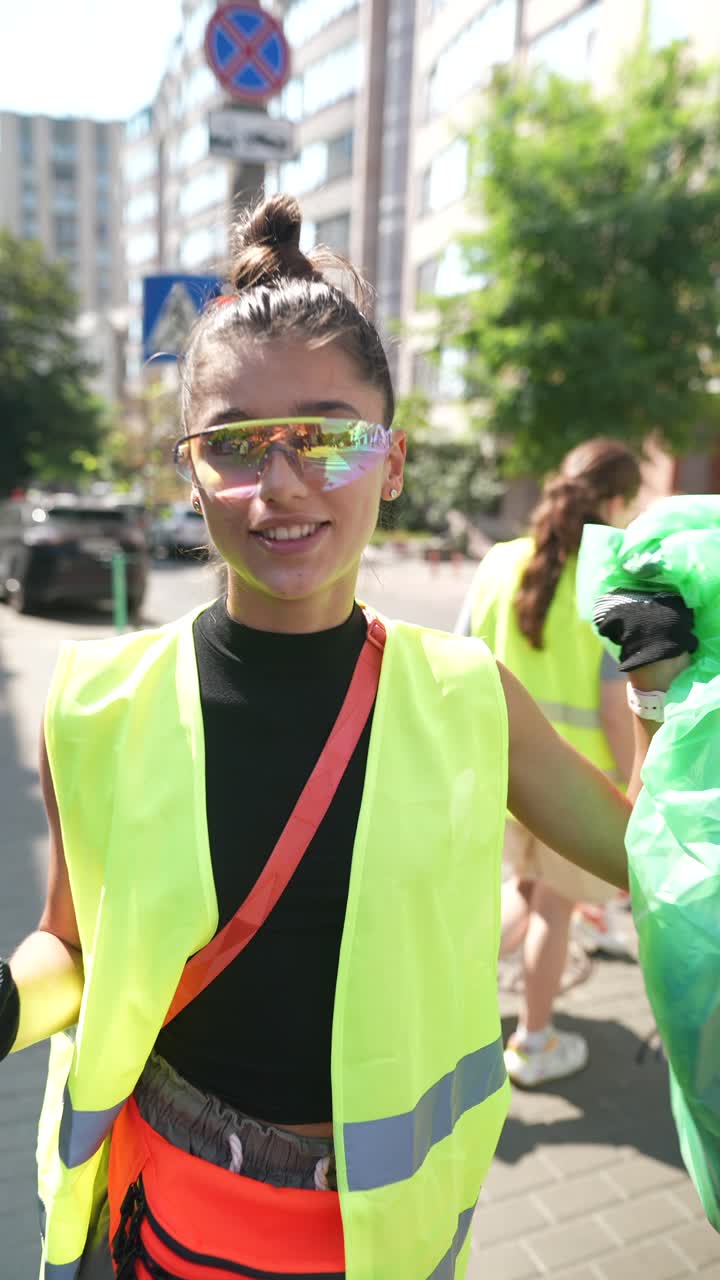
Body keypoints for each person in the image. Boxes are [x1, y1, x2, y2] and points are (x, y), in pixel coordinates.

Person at [0, 197, 693, 1280]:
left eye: (326, 436)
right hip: (164, 1227)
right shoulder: (92, 699)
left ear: (394, 460)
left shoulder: (467, 696)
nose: (279, 483)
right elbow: (74, 950)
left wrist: (663, 692)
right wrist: (9, 1000)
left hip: (383, 1241)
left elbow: (653, 857)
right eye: (234, 443)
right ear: (191, 470)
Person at [456, 439, 643, 1088]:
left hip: (500, 772)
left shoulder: (500, 562)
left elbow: (460, 658)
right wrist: (635, 789)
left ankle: (452, 1000)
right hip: (576, 785)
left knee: (528, 893)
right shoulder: (612, 578)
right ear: (617, 502)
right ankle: (533, 1044)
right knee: (554, 911)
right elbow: (617, 709)